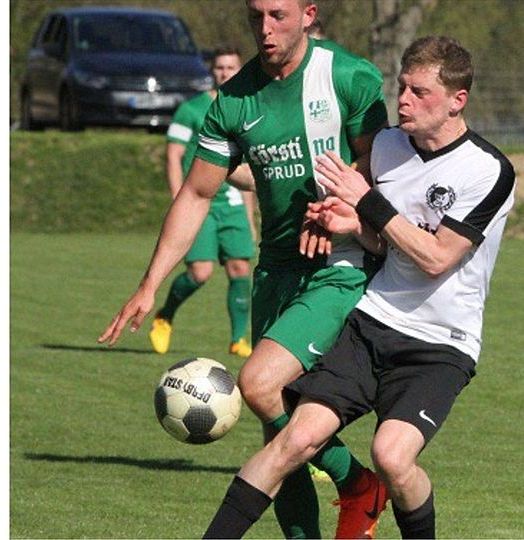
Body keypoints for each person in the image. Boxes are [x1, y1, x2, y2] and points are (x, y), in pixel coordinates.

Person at [202, 36, 516, 539]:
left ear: (457, 100)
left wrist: (366, 202)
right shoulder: (388, 146)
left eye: (419, 92)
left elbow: (436, 257)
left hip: (440, 342)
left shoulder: (488, 170)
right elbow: (380, 237)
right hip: (372, 322)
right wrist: (344, 222)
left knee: (391, 456)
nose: (404, 101)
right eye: (402, 88)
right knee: (293, 441)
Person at [97, 1, 390, 538]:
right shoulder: (233, 99)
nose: (264, 28)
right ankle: (352, 493)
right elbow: (196, 192)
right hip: (275, 269)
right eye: (255, 15)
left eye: (277, 14)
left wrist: (339, 211)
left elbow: (382, 168)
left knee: (257, 384)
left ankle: (356, 485)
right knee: (275, 439)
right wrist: (150, 283)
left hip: (339, 266)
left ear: (308, 13)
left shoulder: (348, 77)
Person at [149, 45, 258, 359]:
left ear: (239, 70)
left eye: (231, 68)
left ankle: (239, 339)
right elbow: (174, 156)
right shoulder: (192, 110)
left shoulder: (247, 108)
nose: (225, 73)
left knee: (240, 268)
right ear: (212, 71)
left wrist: (250, 218)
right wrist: (177, 200)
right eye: (220, 67)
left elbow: (250, 167)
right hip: (201, 202)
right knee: (200, 272)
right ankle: (165, 314)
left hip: (234, 203)